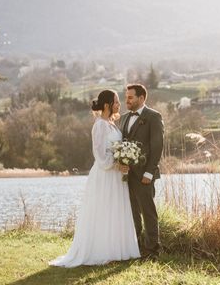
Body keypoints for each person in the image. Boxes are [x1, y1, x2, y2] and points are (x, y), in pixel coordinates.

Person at [50, 89, 140, 267]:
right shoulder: (99, 125)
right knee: (104, 211)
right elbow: (99, 154)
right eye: (115, 101)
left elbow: (115, 148)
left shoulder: (112, 124)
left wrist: (124, 160)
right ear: (107, 105)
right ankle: (101, 251)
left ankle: (116, 250)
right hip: (104, 174)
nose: (119, 104)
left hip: (116, 176)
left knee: (115, 210)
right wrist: (116, 163)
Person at [120, 84, 164, 259]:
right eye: (126, 97)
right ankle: (135, 249)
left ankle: (153, 250)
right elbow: (121, 145)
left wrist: (149, 173)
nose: (127, 100)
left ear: (141, 98)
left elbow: (157, 146)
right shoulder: (123, 118)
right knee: (132, 214)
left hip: (145, 175)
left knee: (148, 213)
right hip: (126, 175)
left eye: (130, 97)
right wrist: (121, 164)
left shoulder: (153, 117)